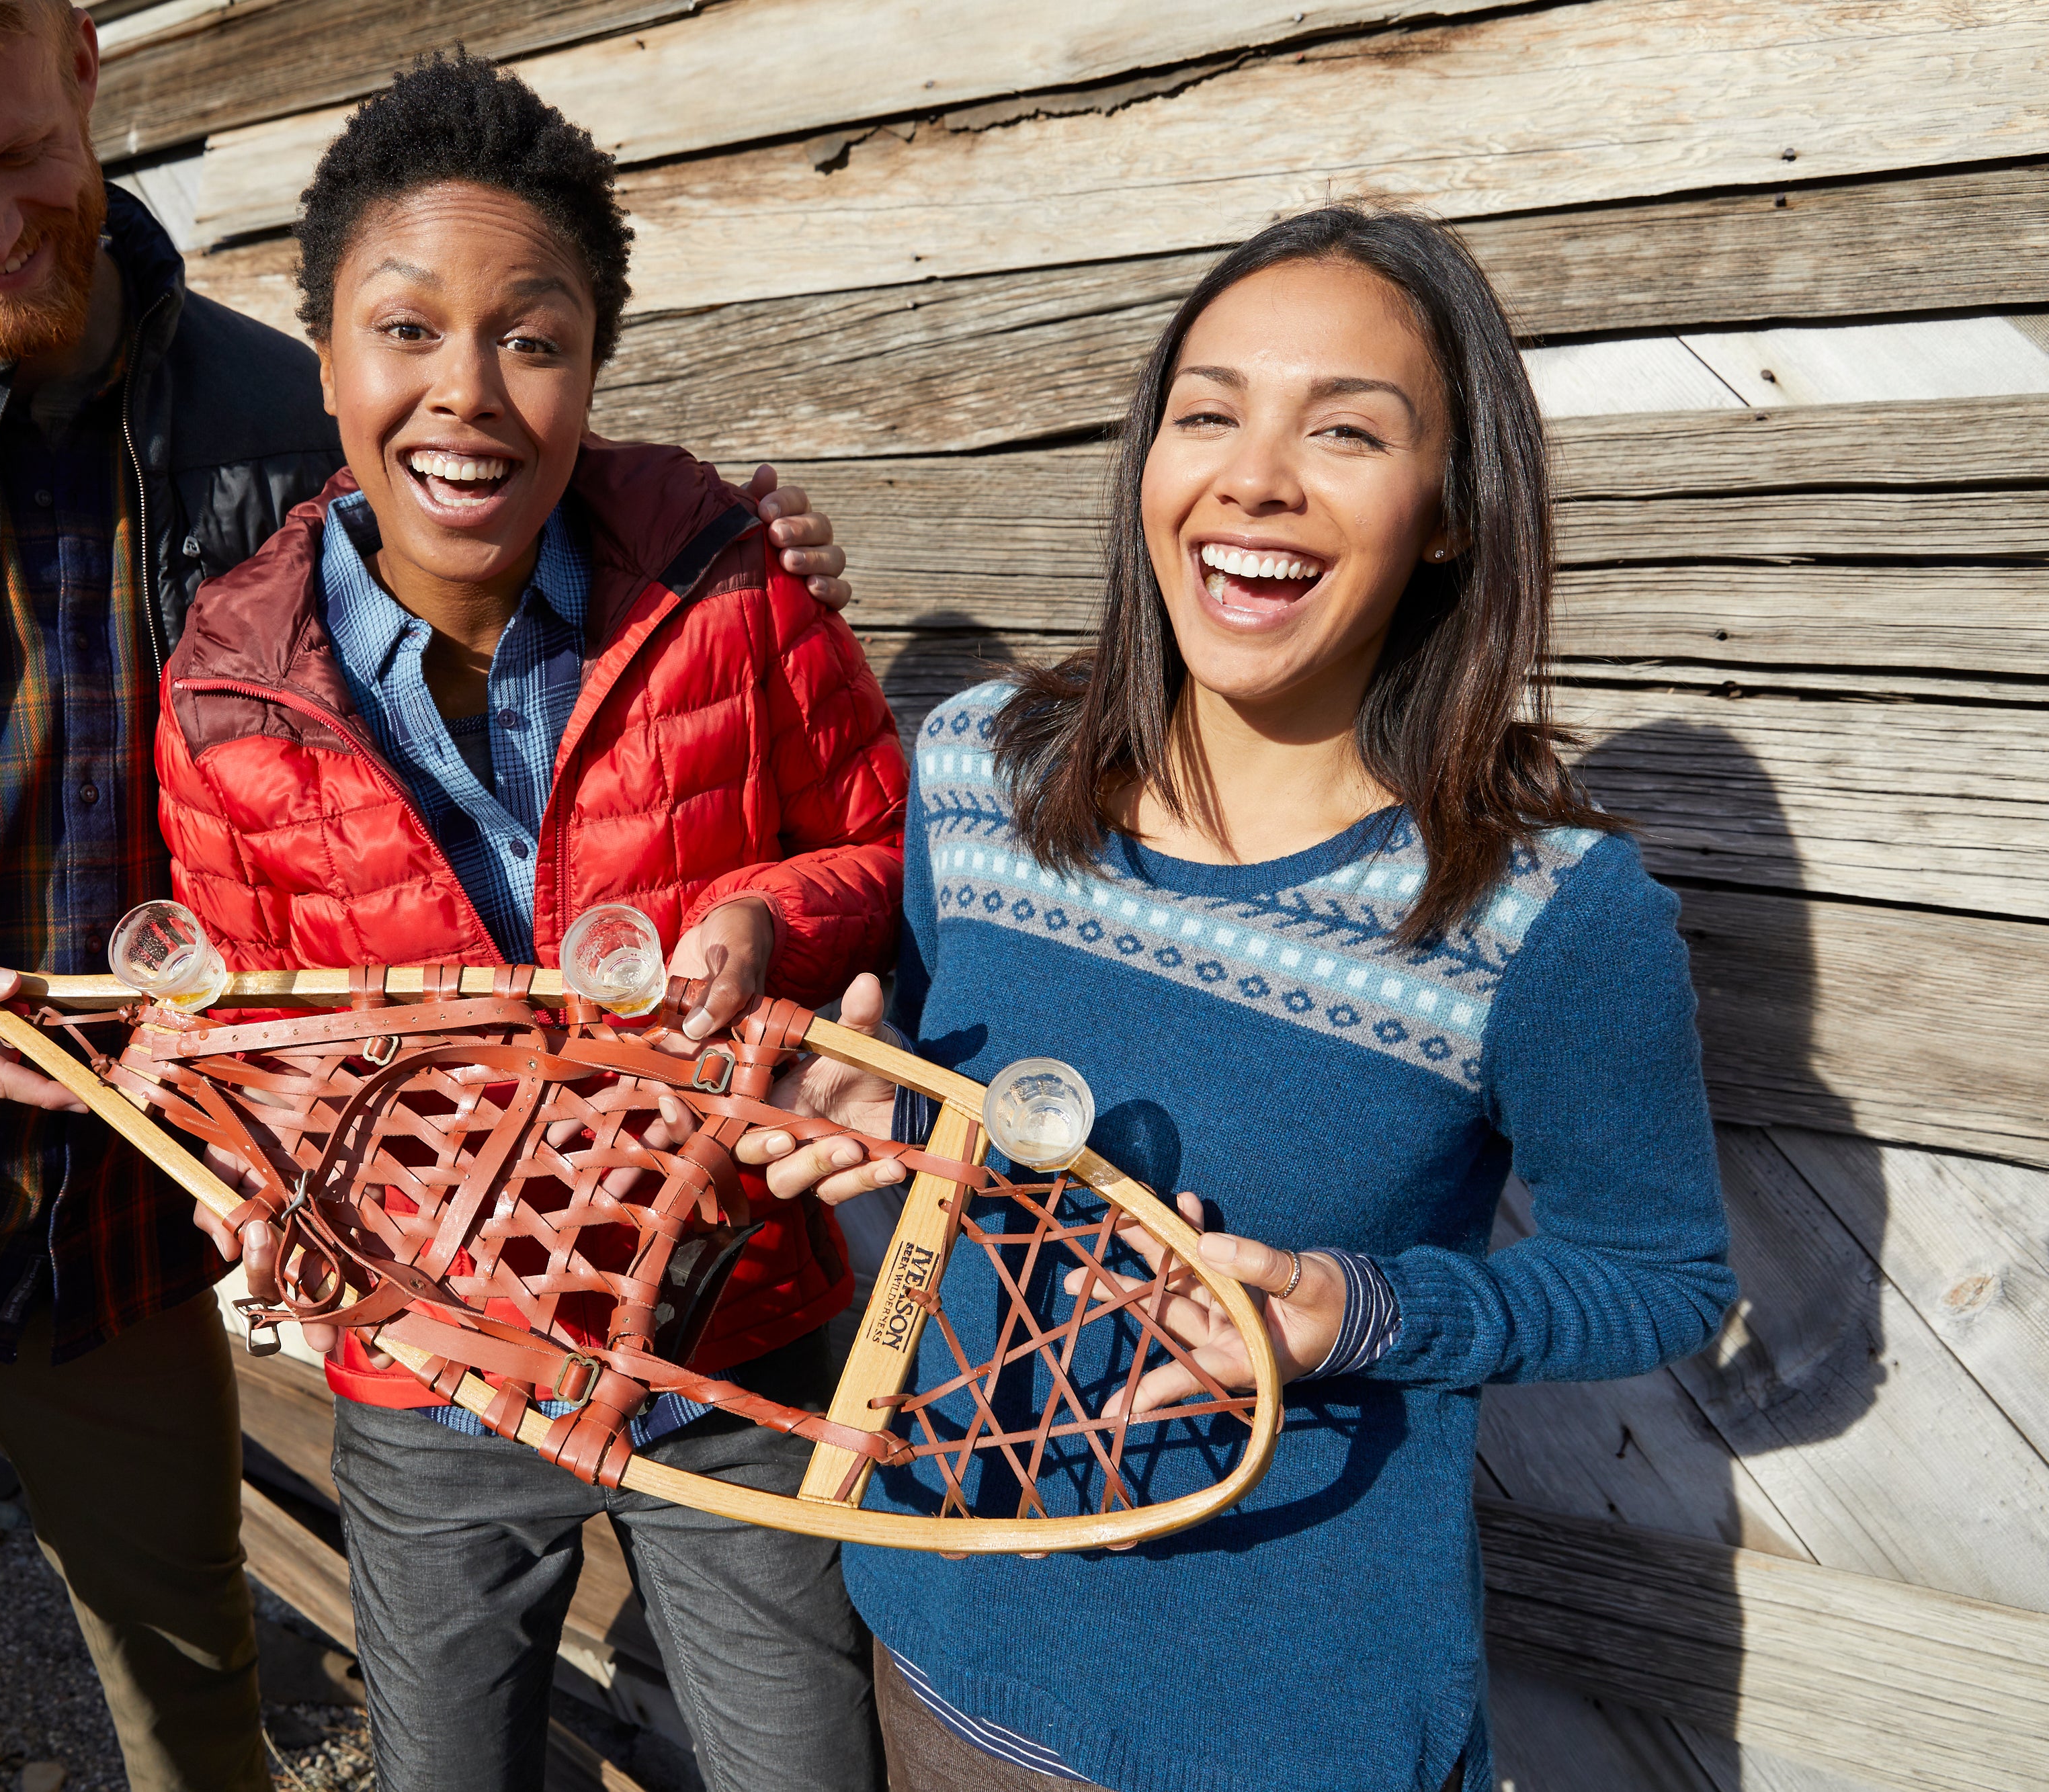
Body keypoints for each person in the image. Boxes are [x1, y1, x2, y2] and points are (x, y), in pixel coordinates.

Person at [0, 2, 857, 1785]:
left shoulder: (285, 409)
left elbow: (515, 508)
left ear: (86, 74)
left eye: (17, 154)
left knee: (207, 1728)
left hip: (117, 1251)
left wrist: (749, 540)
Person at [735, 204, 1739, 1792]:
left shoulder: (1541, 909)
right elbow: (952, 1066)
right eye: (1206, 412)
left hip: (1276, 1727)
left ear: (1448, 517)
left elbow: (1663, 1274)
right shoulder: (981, 768)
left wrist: (1370, 1312)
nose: (1252, 475)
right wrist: (884, 1094)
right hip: (927, 1632)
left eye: (1344, 430)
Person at [167, 52, 904, 1792]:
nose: (468, 395)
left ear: (593, 363)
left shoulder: (729, 585)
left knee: (802, 1761)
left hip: (732, 1325)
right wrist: (264, 1189)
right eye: (407, 329)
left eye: (534, 335)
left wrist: (758, 914)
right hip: (436, 1367)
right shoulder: (224, 684)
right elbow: (237, 1046)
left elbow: (882, 853)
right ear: (328, 353)